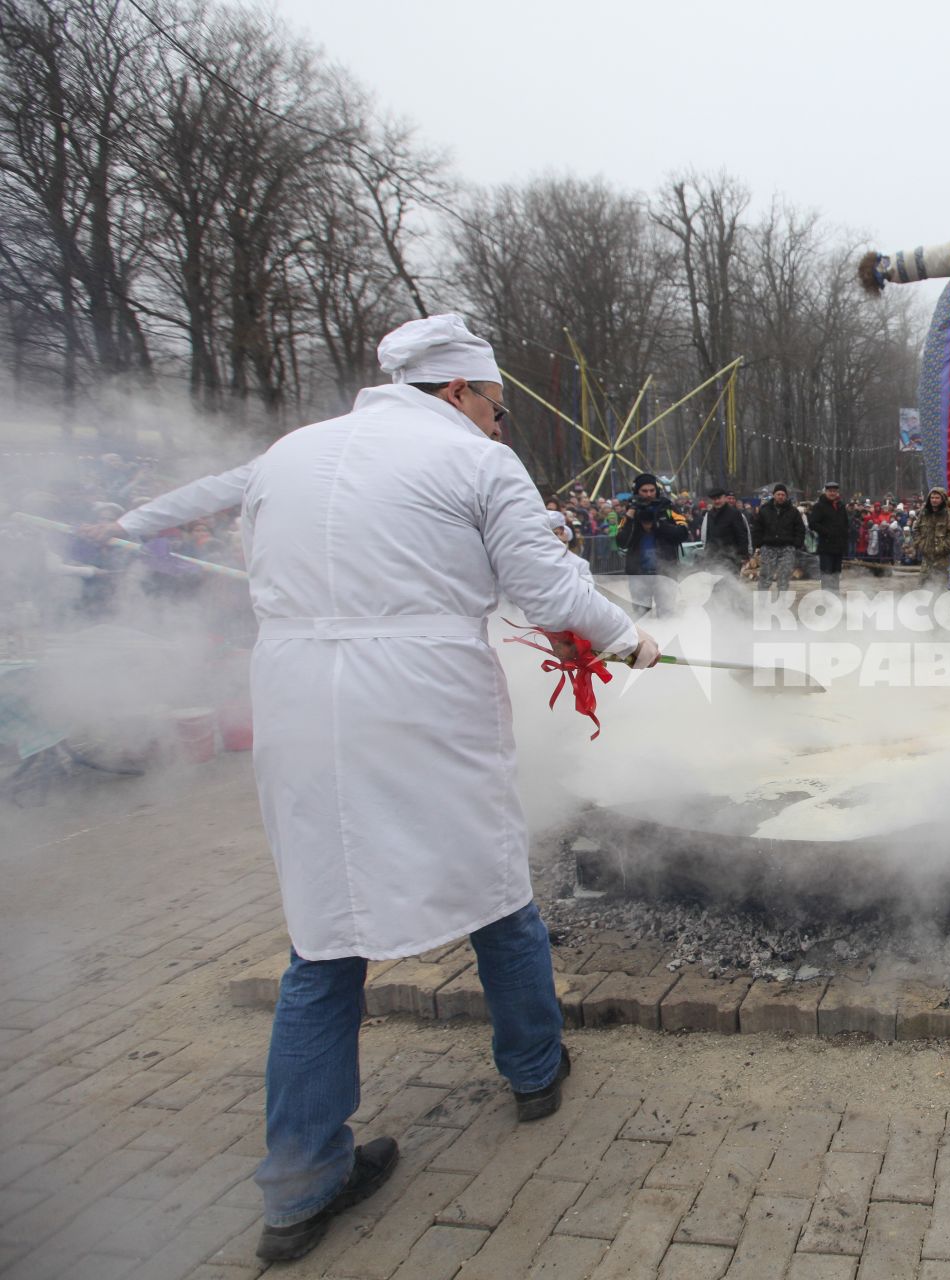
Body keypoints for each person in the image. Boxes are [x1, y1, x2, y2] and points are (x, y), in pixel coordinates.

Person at [88, 314, 659, 1262]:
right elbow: (547, 589)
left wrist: (122, 525)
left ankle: (301, 1185)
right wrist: (625, 635)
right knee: (494, 888)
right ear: (455, 391)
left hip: (300, 698)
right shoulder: (474, 462)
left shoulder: (295, 450)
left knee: (325, 932)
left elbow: (208, 491)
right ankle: (532, 1069)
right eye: (495, 406)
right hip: (423, 696)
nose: (499, 424)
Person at [616, 472, 686, 614]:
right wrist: (631, 515)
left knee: (667, 616)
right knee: (642, 617)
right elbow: (621, 541)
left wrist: (658, 526)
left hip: (665, 572)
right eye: (644, 491)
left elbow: (683, 533)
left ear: (657, 490)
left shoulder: (668, 508)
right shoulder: (631, 510)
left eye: (652, 490)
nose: (648, 494)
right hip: (638, 573)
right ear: (637, 492)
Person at [751, 484, 805, 592]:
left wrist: (796, 543)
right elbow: (757, 528)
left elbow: (800, 529)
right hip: (768, 547)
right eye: (778, 494)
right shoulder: (764, 510)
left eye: (783, 494)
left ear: (786, 496)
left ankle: (782, 604)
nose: (780, 496)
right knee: (765, 576)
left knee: (784, 577)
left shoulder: (793, 511)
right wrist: (758, 543)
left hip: (787, 548)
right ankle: (761, 604)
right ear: (773, 495)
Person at [908, 486, 950, 588]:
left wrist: (944, 547)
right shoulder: (923, 513)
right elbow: (916, 530)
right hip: (926, 556)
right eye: (932, 497)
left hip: (942, 557)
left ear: (943, 499)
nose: (934, 500)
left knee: (939, 585)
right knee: (923, 584)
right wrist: (920, 544)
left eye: (937, 498)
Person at [811, 481, 851, 593]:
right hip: (826, 546)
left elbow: (845, 524)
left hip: (838, 546)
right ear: (826, 492)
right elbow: (812, 523)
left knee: (836, 574)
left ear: (837, 492)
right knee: (826, 573)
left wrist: (845, 539)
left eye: (834, 491)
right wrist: (827, 532)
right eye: (830, 491)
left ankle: (835, 598)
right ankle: (827, 597)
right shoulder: (819, 506)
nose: (832, 493)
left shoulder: (841, 506)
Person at [699, 489, 752, 574]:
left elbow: (742, 535)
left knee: (731, 584)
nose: (717, 501)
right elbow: (708, 535)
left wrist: (744, 555)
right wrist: (707, 555)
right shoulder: (709, 515)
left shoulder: (734, 513)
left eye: (719, 498)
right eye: (714, 499)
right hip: (714, 557)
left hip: (732, 557)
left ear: (724, 498)